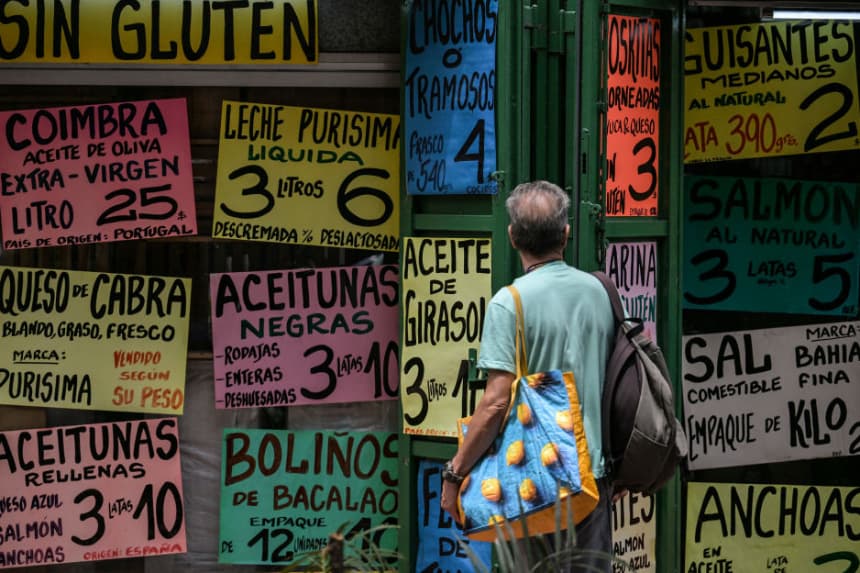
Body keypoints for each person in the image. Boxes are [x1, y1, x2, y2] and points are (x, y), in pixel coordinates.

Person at [440, 180, 615, 571]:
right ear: (566, 234)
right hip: (593, 480)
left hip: (537, 485)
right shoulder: (599, 292)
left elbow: (496, 403)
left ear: (512, 236)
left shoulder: (509, 303)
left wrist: (454, 474)